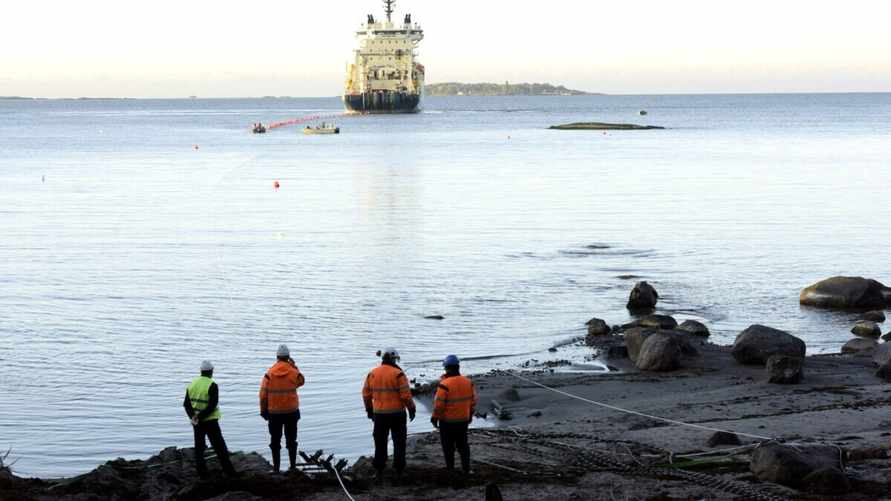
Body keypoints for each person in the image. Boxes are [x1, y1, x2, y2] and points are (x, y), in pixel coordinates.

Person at [362, 347, 416, 483]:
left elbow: (366, 394)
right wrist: (411, 409)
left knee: (380, 443)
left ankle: (379, 472)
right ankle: (399, 472)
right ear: (393, 359)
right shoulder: (399, 374)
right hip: (397, 414)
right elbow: (406, 396)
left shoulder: (372, 374)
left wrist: (369, 410)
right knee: (399, 443)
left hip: (379, 415)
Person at [183, 360, 237, 478]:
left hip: (196, 422)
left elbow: (186, 404)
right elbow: (212, 406)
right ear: (211, 371)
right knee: (220, 448)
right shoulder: (212, 384)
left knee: (199, 448)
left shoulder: (192, 384)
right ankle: (230, 473)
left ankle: (202, 474)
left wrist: (193, 417)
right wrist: (200, 416)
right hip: (210, 421)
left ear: (201, 371)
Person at [259, 344, 305, 473]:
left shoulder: (269, 373)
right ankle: (292, 467)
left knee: (275, 440)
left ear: (277, 357)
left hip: (274, 413)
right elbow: (301, 381)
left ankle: (276, 468)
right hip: (291, 412)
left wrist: (263, 411)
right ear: (288, 357)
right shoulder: (293, 372)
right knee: (291, 440)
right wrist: (294, 366)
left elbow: (263, 395)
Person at [431, 355, 477, 475]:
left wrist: (434, 418)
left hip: (447, 422)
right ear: (458, 367)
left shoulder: (444, 384)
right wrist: (470, 414)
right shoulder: (468, 382)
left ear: (446, 368)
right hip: (463, 420)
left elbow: (439, 405)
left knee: (448, 447)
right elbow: (473, 401)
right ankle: (466, 469)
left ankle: (450, 469)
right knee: (463, 445)